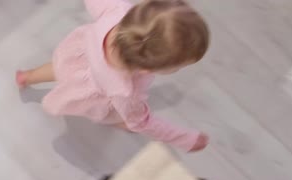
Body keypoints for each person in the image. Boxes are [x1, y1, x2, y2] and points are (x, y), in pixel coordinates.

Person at [16, 0, 210, 152]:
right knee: (113, 115)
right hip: (93, 91)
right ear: (146, 70)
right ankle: (116, 123)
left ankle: (27, 76)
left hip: (74, 57)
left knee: (59, 69)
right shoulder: (125, 92)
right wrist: (186, 139)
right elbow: (142, 122)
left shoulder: (118, 10)